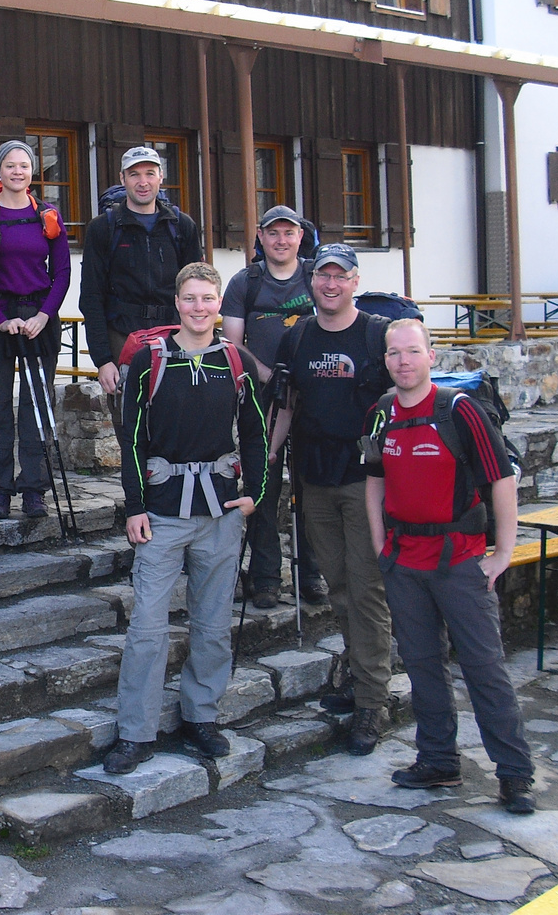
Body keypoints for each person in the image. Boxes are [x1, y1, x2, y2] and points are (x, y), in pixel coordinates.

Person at [363, 319, 535, 814]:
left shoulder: (461, 412)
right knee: (422, 665)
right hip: (404, 561)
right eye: (394, 354)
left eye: (413, 352)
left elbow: (501, 480)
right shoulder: (381, 413)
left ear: (431, 356)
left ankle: (515, 774)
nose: (403, 362)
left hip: (459, 561)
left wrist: (502, 552)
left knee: (484, 667)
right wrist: (380, 544)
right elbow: (374, 477)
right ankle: (438, 760)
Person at [104, 262, 268, 774]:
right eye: (191, 298)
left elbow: (256, 432)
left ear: (219, 305)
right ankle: (135, 731)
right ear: (177, 303)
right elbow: (131, 438)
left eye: (208, 299)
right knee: (148, 628)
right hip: (162, 512)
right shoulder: (151, 359)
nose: (200, 308)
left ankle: (201, 717)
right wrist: (134, 507)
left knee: (214, 625)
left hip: (220, 511)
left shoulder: (234, 360)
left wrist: (255, 494)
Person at [269, 242, 394, 756]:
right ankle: (355, 674)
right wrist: (265, 464)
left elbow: (405, 400)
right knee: (340, 584)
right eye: (323, 275)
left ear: (355, 282)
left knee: (366, 590)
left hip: (365, 481)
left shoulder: (377, 335)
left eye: (340, 276)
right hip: (314, 479)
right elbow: (286, 405)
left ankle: (373, 701)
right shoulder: (297, 338)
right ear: (311, 281)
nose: (330, 284)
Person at [220, 205, 327, 608]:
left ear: (301, 237)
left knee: (310, 486)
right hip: (261, 397)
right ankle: (266, 578)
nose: (281, 240)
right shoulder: (245, 282)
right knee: (263, 484)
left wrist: (303, 376)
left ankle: (311, 574)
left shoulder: (316, 277)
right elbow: (233, 343)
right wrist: (270, 375)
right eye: (273, 233)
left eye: (289, 233)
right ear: (261, 238)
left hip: (314, 394)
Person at [78, 147, 203, 431]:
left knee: (178, 425)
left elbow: (197, 290)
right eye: (134, 174)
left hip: (174, 336)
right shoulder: (103, 228)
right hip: (122, 336)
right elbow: (91, 298)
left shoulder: (182, 226)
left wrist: (199, 344)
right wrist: (103, 361)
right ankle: (136, 478)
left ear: (161, 177)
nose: (142, 182)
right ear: (123, 179)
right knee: (130, 428)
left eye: (149, 173)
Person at [0, 140, 72, 519]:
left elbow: (63, 273)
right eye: (10, 166)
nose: (17, 172)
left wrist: (44, 316)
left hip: (38, 319)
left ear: (32, 172)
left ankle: (34, 488)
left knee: (36, 406)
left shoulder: (48, 216)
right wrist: (0, 318)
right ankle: (0, 491)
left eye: (24, 166)